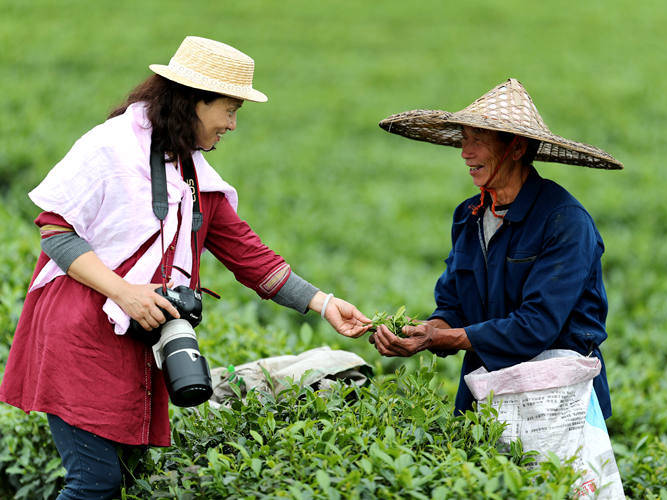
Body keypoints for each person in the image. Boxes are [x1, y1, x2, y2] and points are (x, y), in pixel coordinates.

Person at [0, 36, 370, 499]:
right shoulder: (110, 148)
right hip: (79, 337)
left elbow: (248, 254)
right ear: (194, 102)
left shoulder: (192, 173)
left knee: (121, 480)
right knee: (94, 482)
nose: (233, 124)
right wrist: (124, 291)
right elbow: (56, 230)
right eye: (229, 110)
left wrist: (325, 304)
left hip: (136, 342)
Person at [370, 78, 621, 419]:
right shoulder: (468, 216)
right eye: (463, 139)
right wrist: (423, 332)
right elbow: (454, 306)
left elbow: (536, 326)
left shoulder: (565, 221)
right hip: (485, 393)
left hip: (559, 400)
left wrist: (442, 339)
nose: (465, 152)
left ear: (516, 148)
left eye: (478, 140)